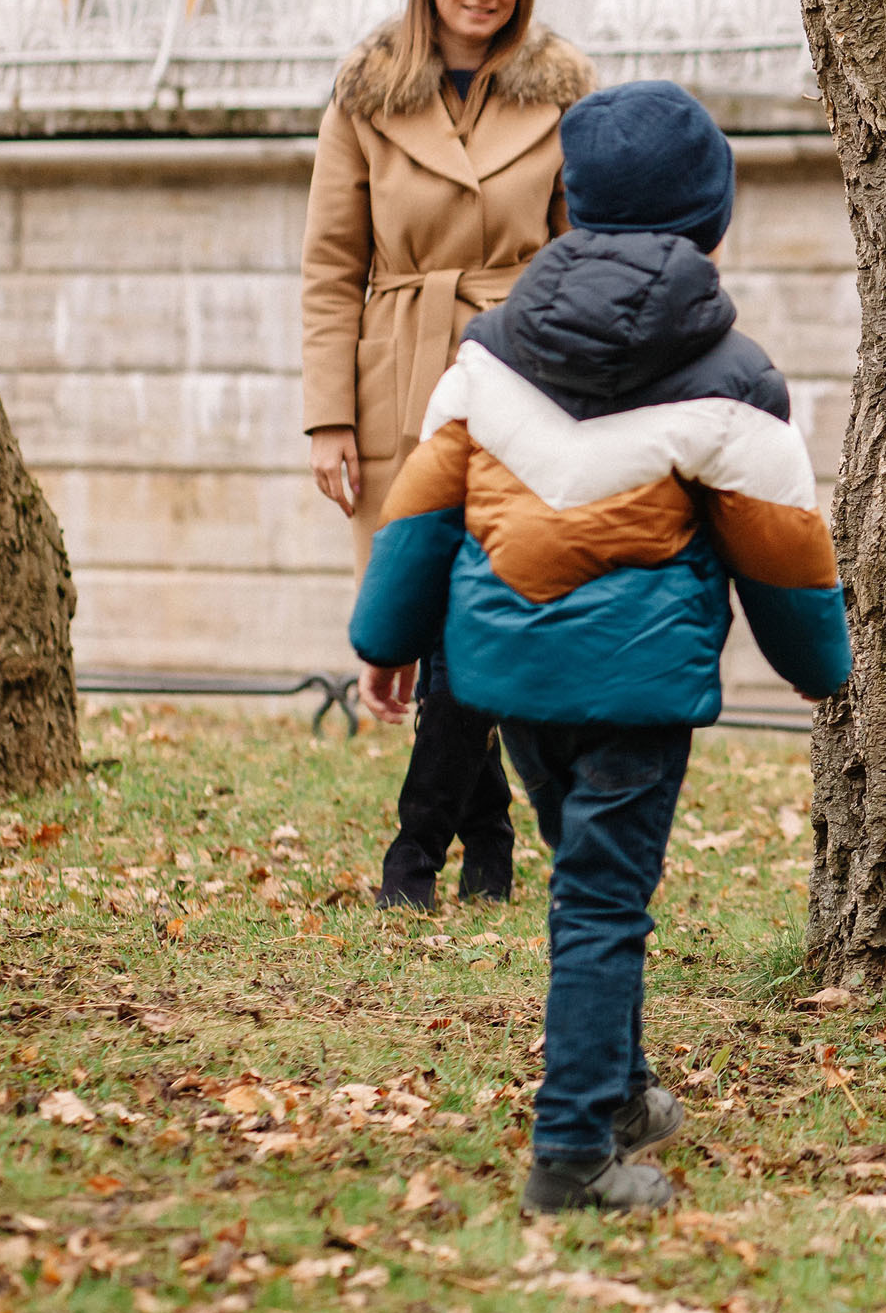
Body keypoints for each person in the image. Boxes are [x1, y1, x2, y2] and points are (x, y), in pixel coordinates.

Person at [349, 80, 851, 1211]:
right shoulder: (740, 380)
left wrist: (387, 639)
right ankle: (572, 1152)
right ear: (712, 222)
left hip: (509, 676)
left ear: (566, 209)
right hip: (636, 686)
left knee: (587, 881)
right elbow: (785, 553)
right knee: (603, 901)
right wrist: (825, 672)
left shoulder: (485, 357)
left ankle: (620, 1089)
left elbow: (423, 511)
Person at [300, 0, 596, 910]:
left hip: (525, 377)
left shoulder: (562, 96)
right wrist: (327, 415)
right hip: (399, 377)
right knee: (423, 605)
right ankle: (487, 836)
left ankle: (426, 853)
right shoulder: (366, 95)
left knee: (491, 607)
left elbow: (586, 252)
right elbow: (333, 267)